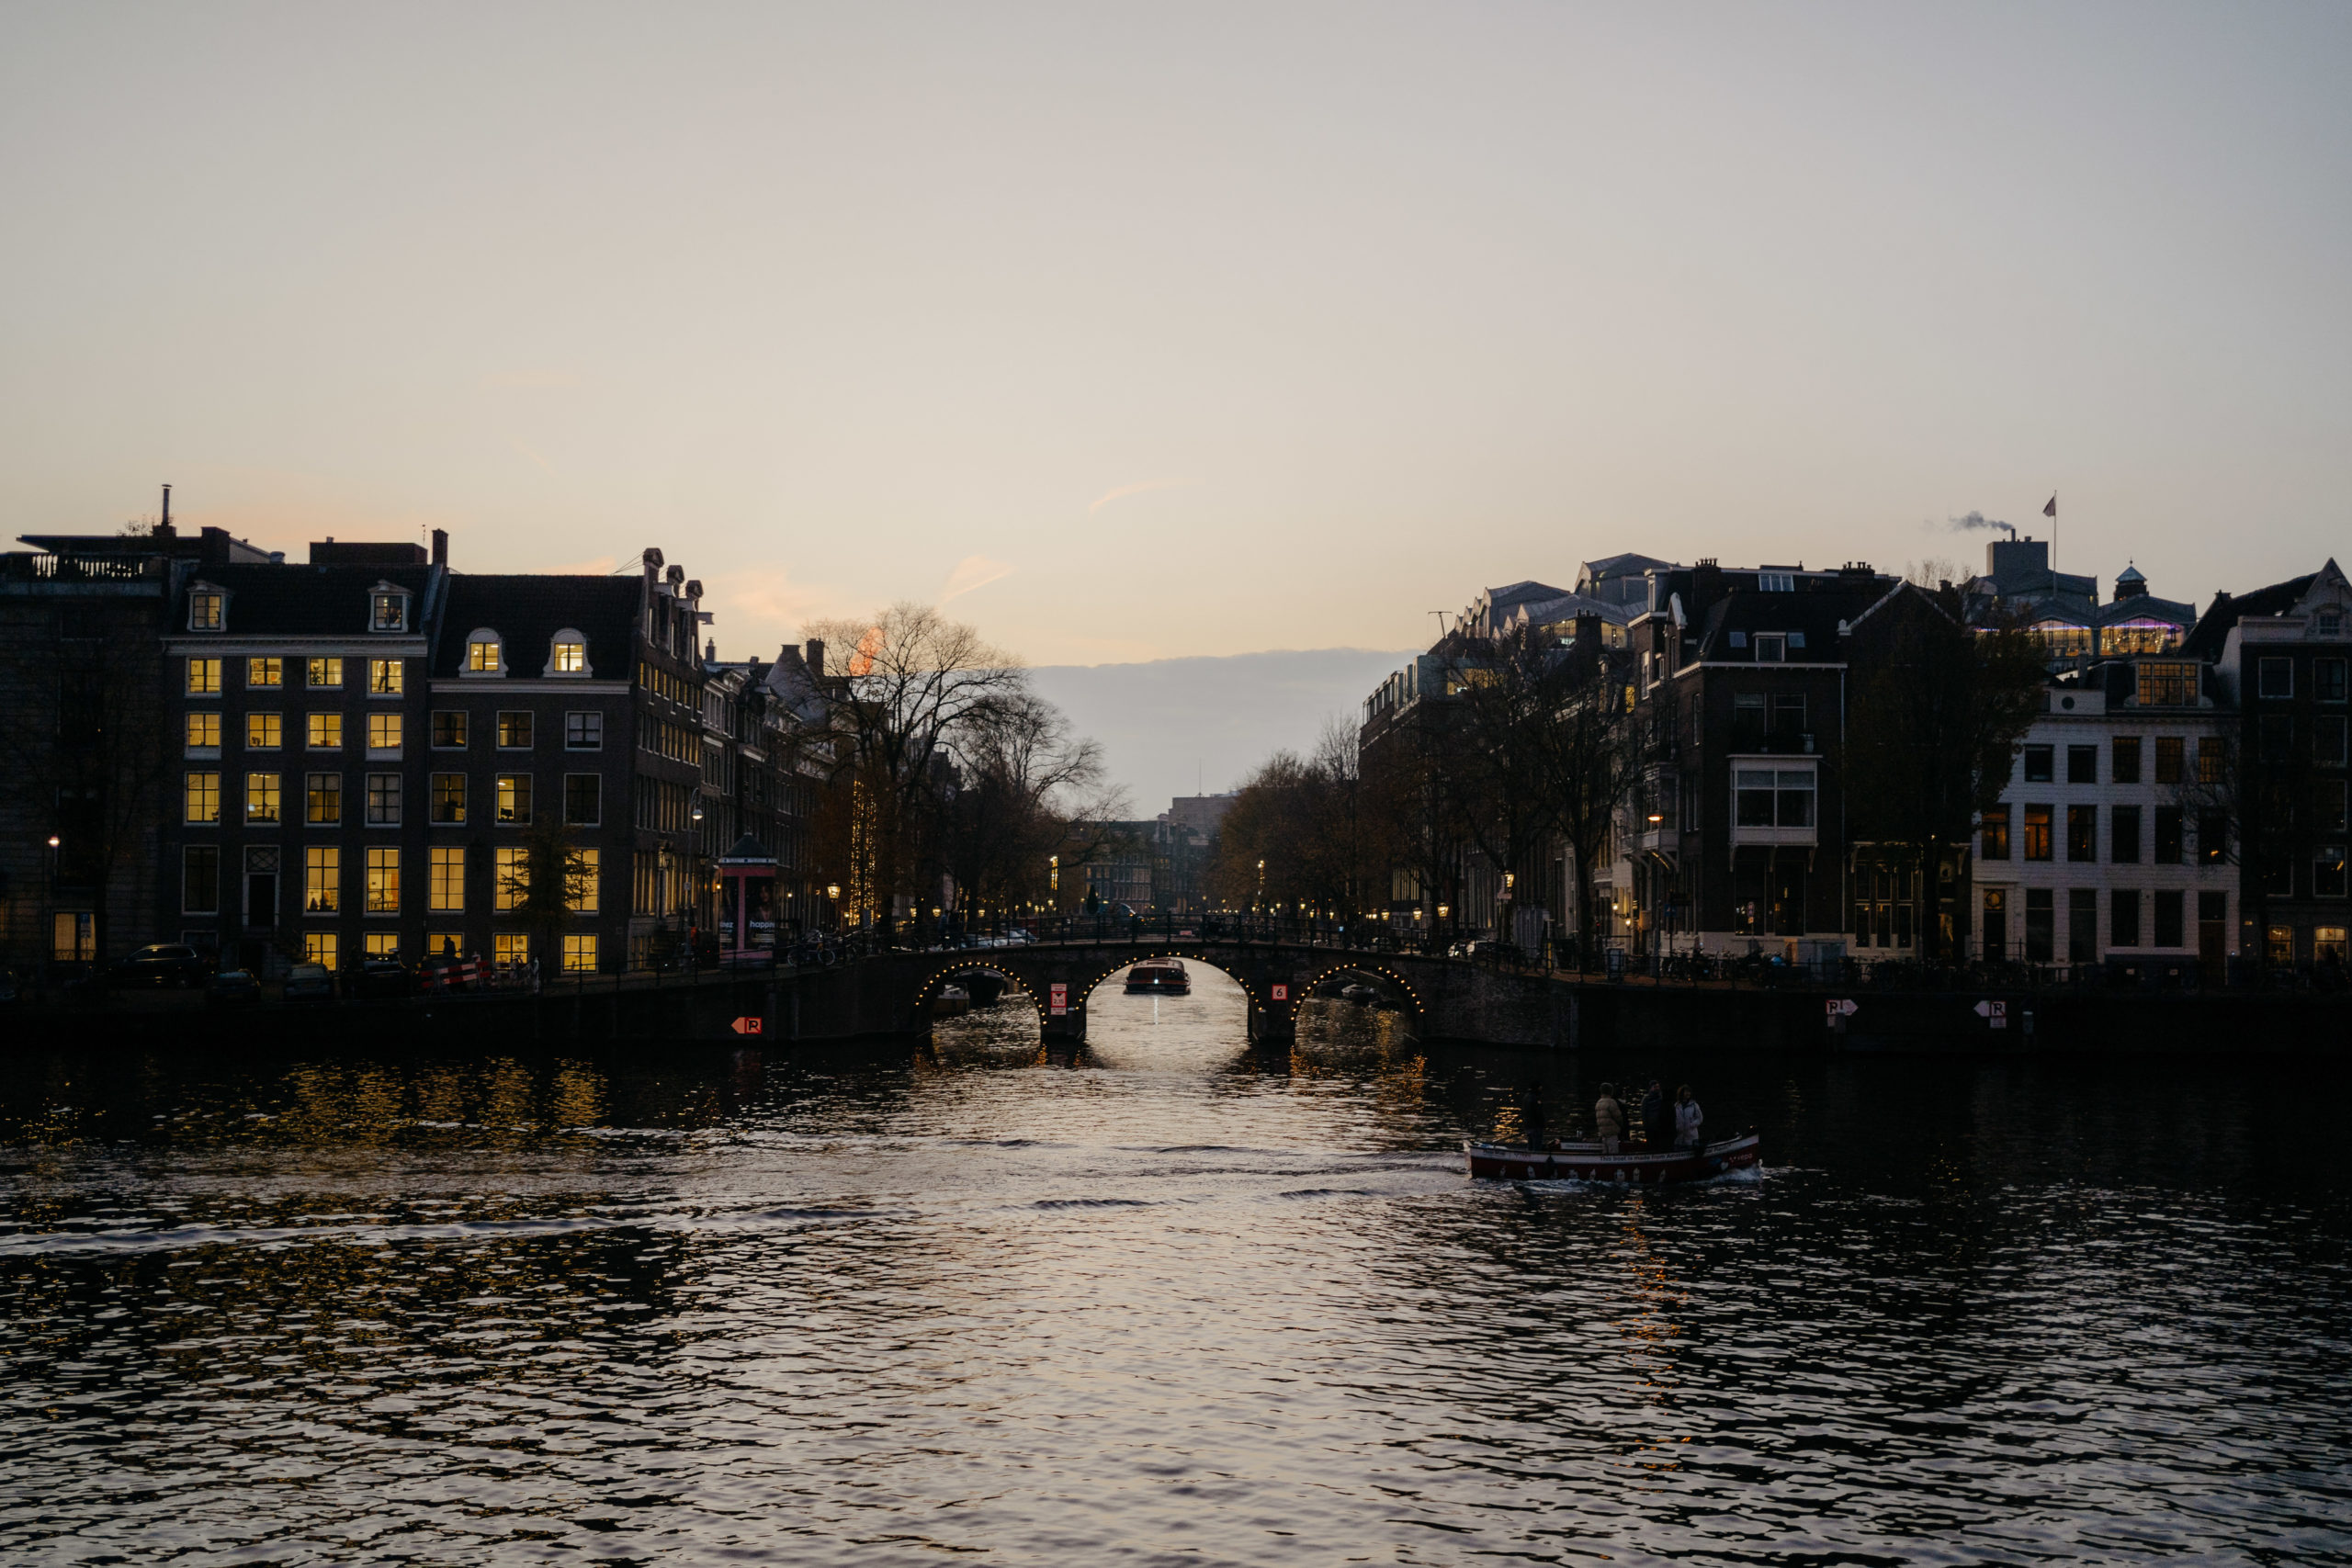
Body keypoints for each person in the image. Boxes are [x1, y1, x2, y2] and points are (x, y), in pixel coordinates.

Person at [1594, 1082, 1623, 1155]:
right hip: (1612, 1133)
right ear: (1611, 1091)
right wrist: (1620, 1126)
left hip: (1603, 1133)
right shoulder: (1611, 1102)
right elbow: (1618, 1117)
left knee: (1605, 1153)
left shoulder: (1598, 1102)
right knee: (1613, 1153)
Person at [1519, 1083, 1549, 1150]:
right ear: (1537, 1088)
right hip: (1536, 1125)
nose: (1541, 1090)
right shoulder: (1534, 1098)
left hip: (1528, 1124)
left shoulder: (1526, 1096)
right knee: (1537, 1143)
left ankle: (1530, 1153)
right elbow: (1538, 1113)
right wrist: (1542, 1123)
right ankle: (1536, 1155)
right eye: (1540, 1088)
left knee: (1531, 1142)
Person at [1674, 1084, 1703, 1148]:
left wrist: (1691, 1125)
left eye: (1689, 1092)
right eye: (1686, 1092)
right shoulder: (1676, 1106)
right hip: (1679, 1137)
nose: (1688, 1093)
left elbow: (1700, 1118)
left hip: (1691, 1136)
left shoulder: (1694, 1105)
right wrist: (1677, 1127)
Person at [1639, 1080, 1668, 1147]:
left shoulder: (1661, 1098)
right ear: (1650, 1088)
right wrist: (1645, 1125)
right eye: (1655, 1087)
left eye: (1658, 1087)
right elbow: (1643, 1113)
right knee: (1651, 1143)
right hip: (1650, 1126)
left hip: (1660, 1126)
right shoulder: (1646, 1099)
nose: (1657, 1088)